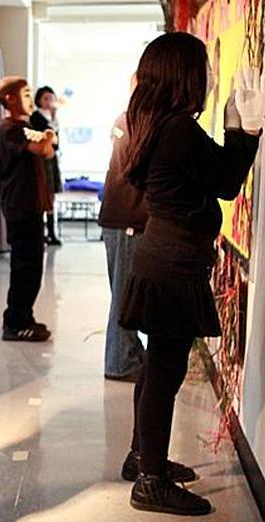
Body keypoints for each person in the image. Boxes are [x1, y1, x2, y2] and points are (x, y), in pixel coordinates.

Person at [118, 32, 262, 515]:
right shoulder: (176, 127)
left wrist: (238, 134)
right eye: (204, 70)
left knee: (157, 366)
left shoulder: (154, 121)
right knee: (164, 370)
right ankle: (150, 481)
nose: (209, 78)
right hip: (172, 263)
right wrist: (246, 134)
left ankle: (142, 457)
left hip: (163, 257)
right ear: (185, 74)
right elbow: (225, 182)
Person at [0, 75, 55, 342]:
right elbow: (44, 149)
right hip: (20, 206)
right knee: (24, 267)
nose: (30, 101)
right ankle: (15, 322)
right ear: (10, 99)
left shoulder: (25, 125)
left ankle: (24, 317)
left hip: (31, 206)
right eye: (26, 94)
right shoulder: (10, 128)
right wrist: (48, 137)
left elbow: (49, 150)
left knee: (33, 266)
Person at [98, 104, 148, 383]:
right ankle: (120, 362)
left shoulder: (128, 120)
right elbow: (137, 167)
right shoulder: (134, 121)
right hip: (126, 219)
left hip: (121, 217)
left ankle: (127, 353)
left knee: (125, 292)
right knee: (124, 293)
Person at [30, 86, 63, 246]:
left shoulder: (53, 117)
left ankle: (51, 231)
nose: (49, 102)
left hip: (52, 158)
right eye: (46, 98)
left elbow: (57, 142)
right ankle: (42, 232)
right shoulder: (35, 117)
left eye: (51, 98)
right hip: (41, 159)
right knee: (41, 194)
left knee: (51, 195)